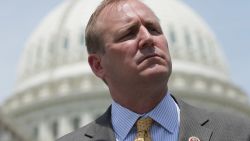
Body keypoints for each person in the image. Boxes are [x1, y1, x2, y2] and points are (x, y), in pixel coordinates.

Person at [57, 0, 250, 140]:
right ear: (98, 65)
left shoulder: (239, 133)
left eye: (154, 29)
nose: (148, 38)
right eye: (129, 33)